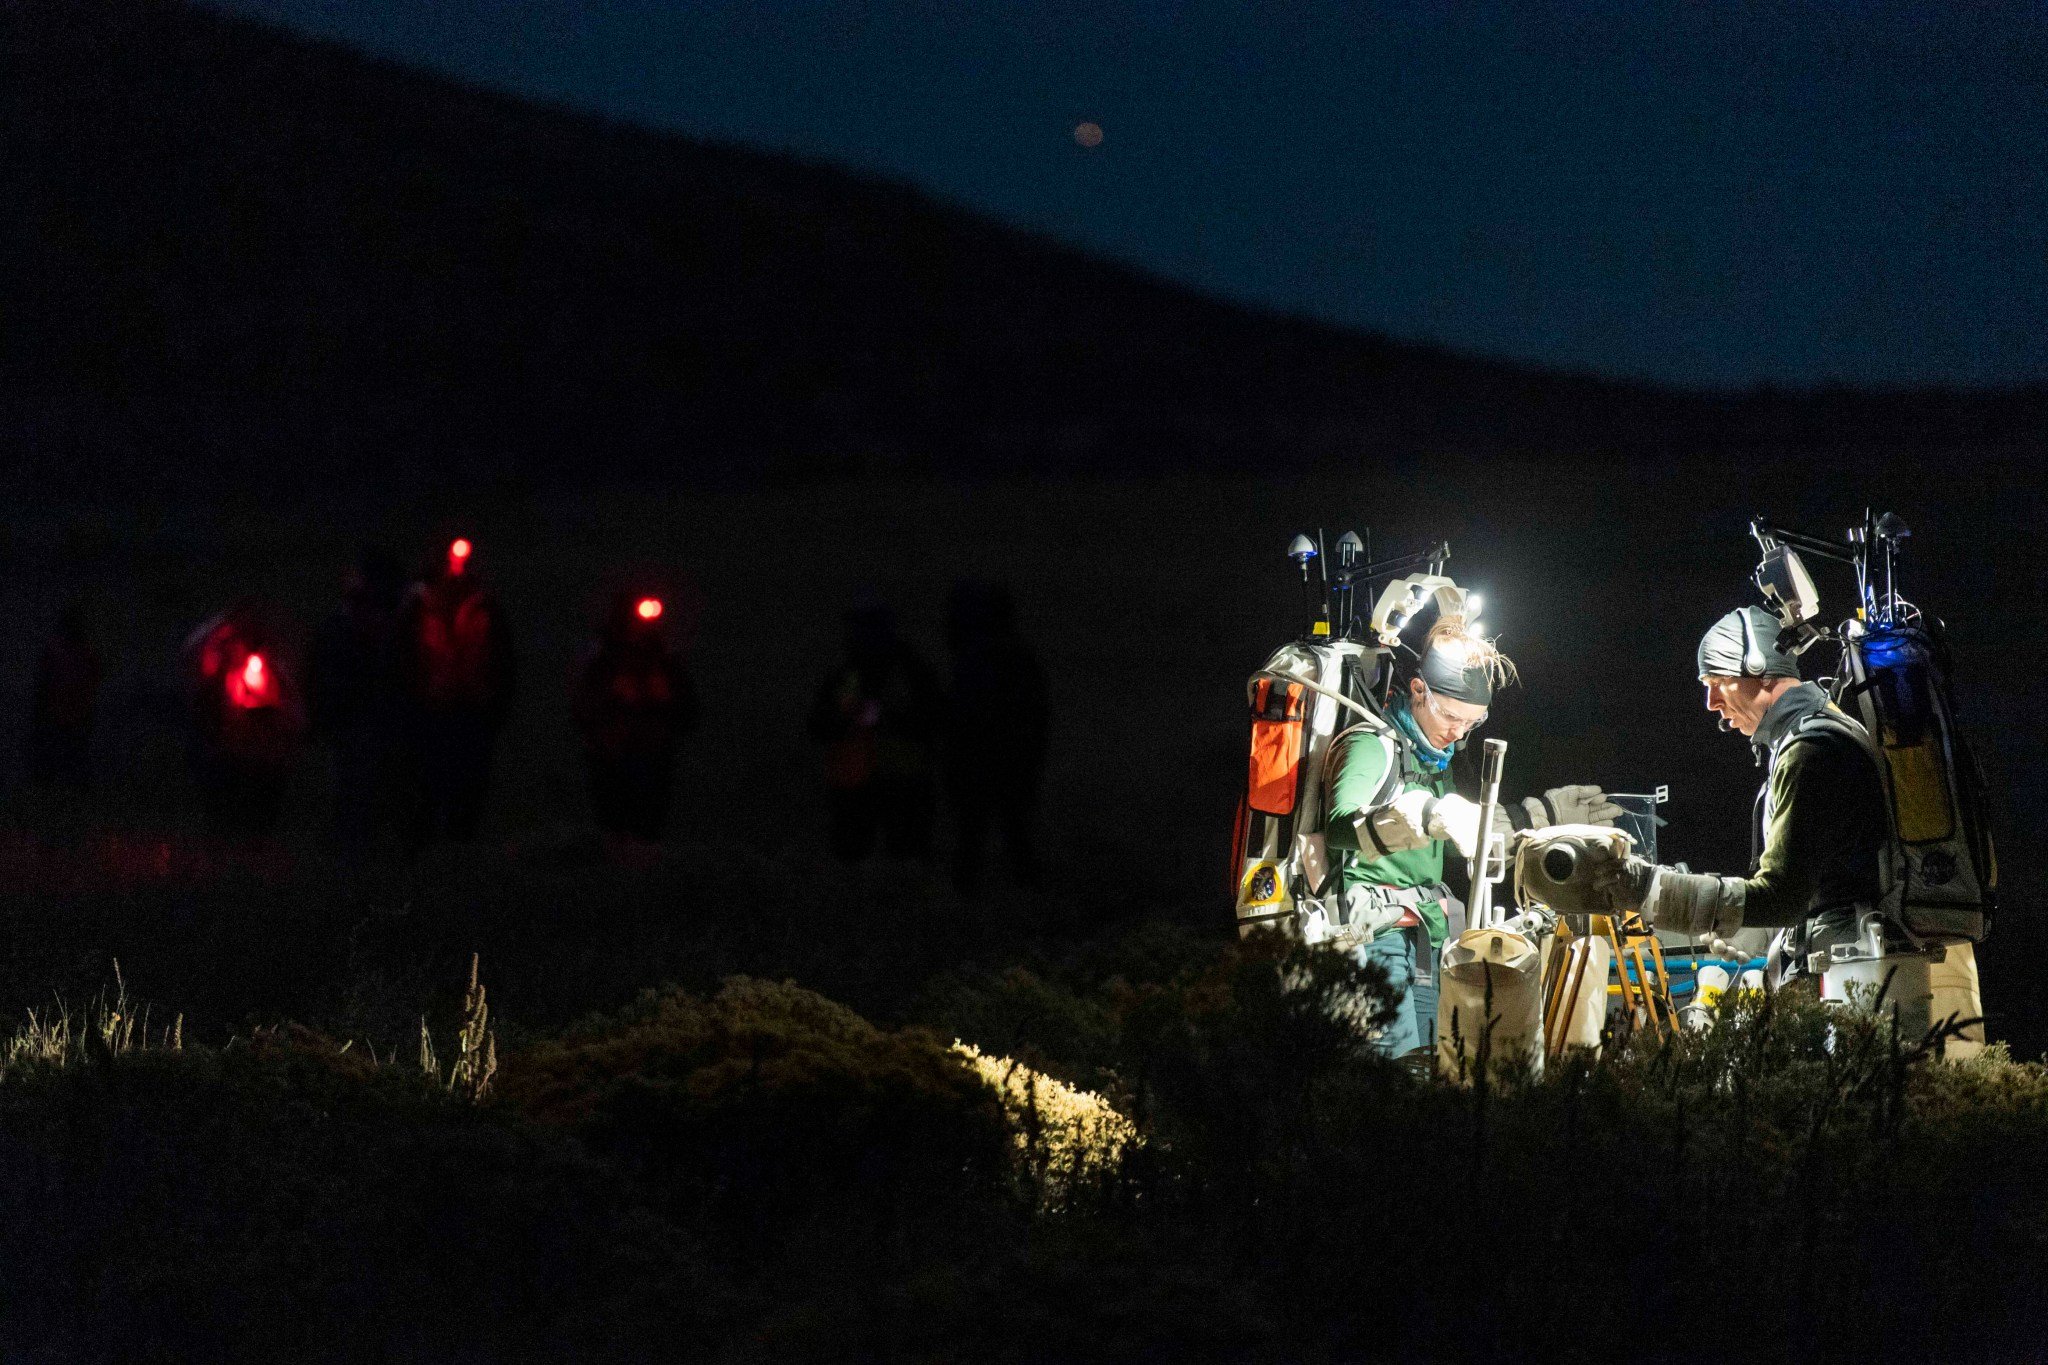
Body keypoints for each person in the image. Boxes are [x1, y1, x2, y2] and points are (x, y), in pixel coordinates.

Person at [1321, 616, 1619, 1056]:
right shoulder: (1371, 745)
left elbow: (1464, 827)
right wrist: (1422, 813)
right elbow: (1340, 825)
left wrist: (1542, 814)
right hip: (1376, 942)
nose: (1459, 732)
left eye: (1472, 723)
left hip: (1429, 939)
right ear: (1418, 690)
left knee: (1435, 1072)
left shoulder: (1431, 760)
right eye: (1451, 716)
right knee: (1394, 1074)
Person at [1601, 606, 1888, 979]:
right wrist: (1757, 927)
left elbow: (1781, 897)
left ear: (1758, 666)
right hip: (1854, 956)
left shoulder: (1810, 751)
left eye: (1716, 683)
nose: (1711, 704)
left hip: (1853, 971)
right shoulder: (1819, 733)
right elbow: (1818, 885)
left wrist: (1648, 888)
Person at [395, 540, 516, 844]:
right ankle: (419, 854)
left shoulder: (485, 607)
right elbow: (399, 659)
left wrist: (495, 707)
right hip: (426, 710)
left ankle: (461, 850)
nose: (456, 567)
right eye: (450, 559)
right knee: (423, 786)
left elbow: (503, 660)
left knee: (470, 787)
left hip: (473, 710)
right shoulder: (416, 607)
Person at [807, 602, 940, 862]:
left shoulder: (910, 672)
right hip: (855, 790)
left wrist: (886, 718)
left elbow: (934, 721)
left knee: (903, 864)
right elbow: (818, 726)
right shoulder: (846, 674)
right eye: (855, 628)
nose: (855, 635)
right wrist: (847, 720)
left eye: (864, 627)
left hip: (902, 788)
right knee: (855, 863)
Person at [942, 581, 1049, 894]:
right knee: (1008, 839)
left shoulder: (981, 661)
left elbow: (963, 719)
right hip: (1008, 766)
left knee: (980, 843)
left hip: (989, 766)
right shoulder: (1014, 659)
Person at [573, 593, 697, 843]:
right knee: (614, 831)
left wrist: (666, 721)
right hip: (612, 759)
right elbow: (583, 708)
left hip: (654, 758)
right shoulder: (603, 663)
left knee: (648, 831)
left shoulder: (664, 663)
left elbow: (686, 707)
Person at [309, 549, 407, 855]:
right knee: (353, 794)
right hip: (351, 727)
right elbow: (323, 682)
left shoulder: (397, 630)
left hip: (385, 727)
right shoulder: (338, 631)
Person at [182, 603, 304, 838]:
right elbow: (190, 655)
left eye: (244, 641)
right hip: (225, 764)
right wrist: (221, 624)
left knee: (258, 830)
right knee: (223, 827)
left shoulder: (270, 672)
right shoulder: (215, 678)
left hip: (262, 767)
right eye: (233, 642)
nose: (238, 648)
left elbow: (296, 719)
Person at [28, 604, 102, 790]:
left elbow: (44, 683)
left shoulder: (61, 650)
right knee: (70, 759)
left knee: (60, 760)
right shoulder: (85, 651)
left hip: (63, 713)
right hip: (73, 713)